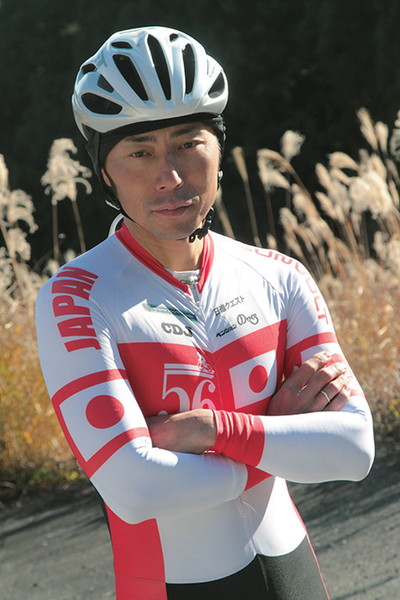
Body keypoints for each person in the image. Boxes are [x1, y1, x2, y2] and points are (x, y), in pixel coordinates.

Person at [35, 26, 374, 600]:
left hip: (293, 573)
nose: (169, 177)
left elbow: (354, 448)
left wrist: (211, 431)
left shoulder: (278, 275)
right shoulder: (77, 296)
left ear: (219, 149)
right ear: (104, 172)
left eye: (189, 143)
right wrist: (277, 439)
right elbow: (135, 488)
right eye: (140, 152)